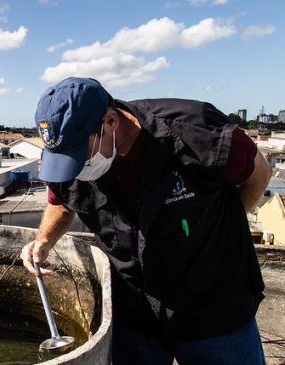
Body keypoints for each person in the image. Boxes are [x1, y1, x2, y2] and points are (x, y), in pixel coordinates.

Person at [21, 77, 271, 364]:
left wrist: (221, 226)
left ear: (111, 121)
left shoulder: (198, 134)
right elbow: (61, 200)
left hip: (214, 308)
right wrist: (44, 239)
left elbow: (259, 173)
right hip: (136, 318)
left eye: (79, 157)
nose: (74, 170)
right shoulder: (69, 154)